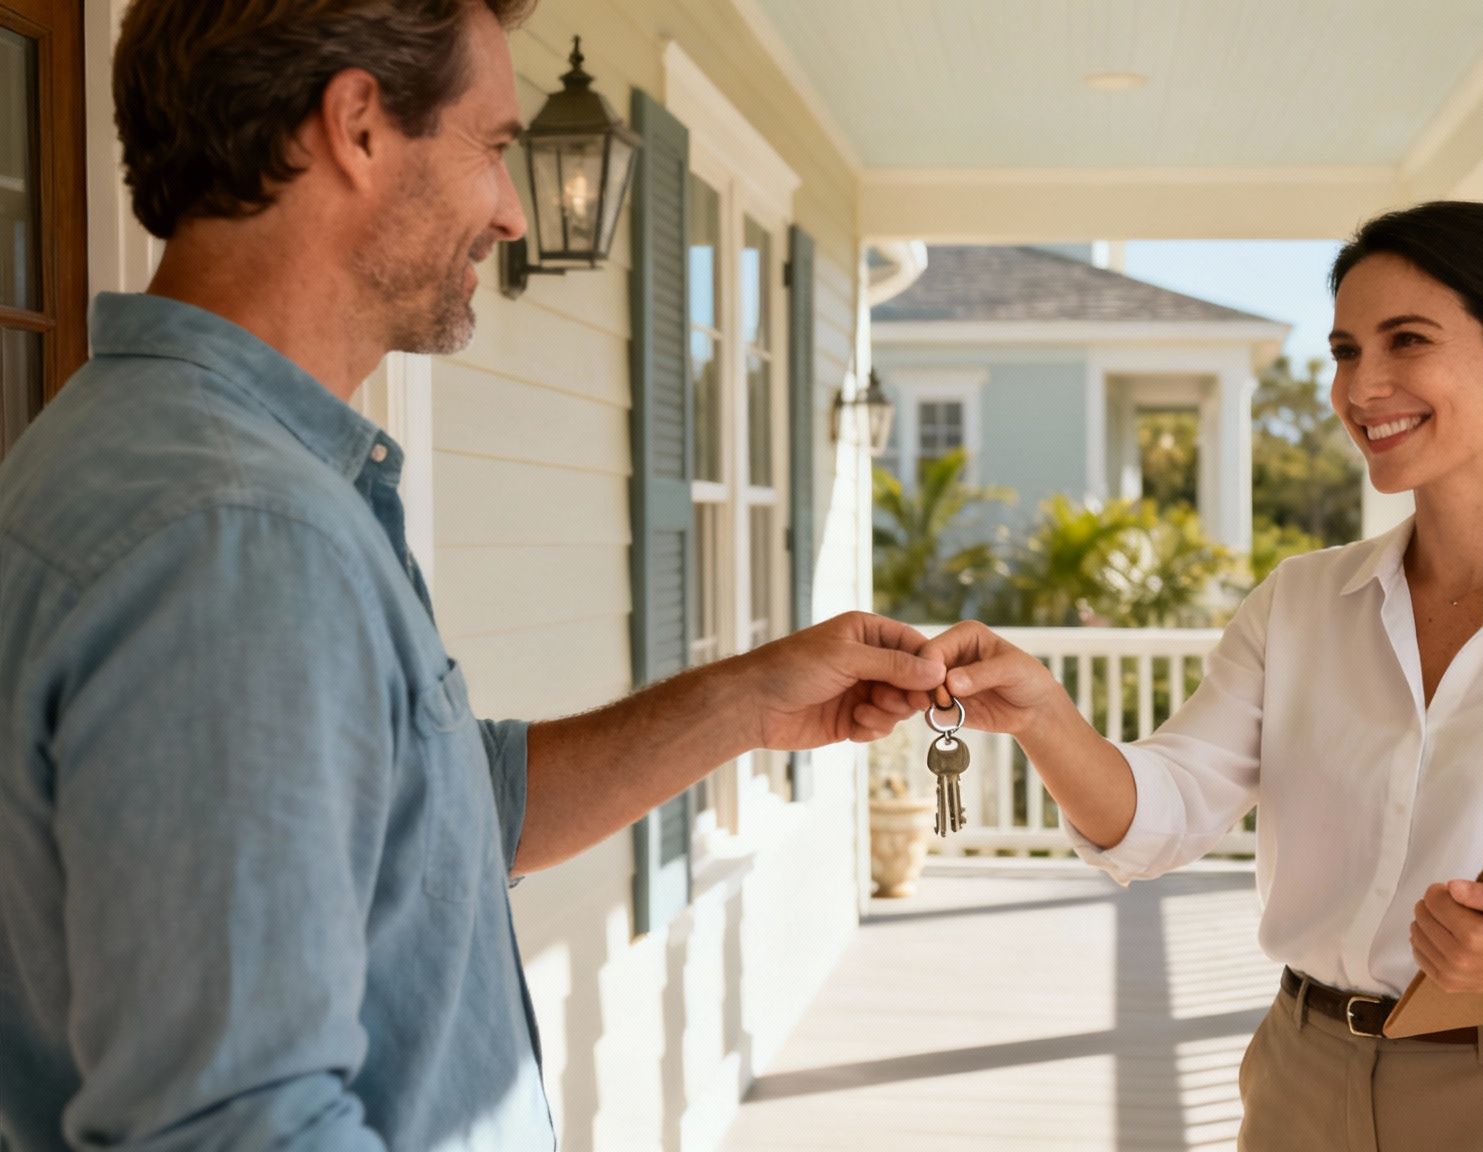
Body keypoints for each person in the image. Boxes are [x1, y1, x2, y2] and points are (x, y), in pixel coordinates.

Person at [0, 2, 943, 1149]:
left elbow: (442, 816)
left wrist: (746, 698)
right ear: (353, 125)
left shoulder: (176, 459)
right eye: (493, 147)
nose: (508, 209)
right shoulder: (239, 538)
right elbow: (239, 1126)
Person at [897, 201, 1483, 1151]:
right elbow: (1160, 815)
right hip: (1301, 1082)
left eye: (1407, 340)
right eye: (1347, 350)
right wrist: (1045, 718)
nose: (1361, 386)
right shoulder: (1302, 603)